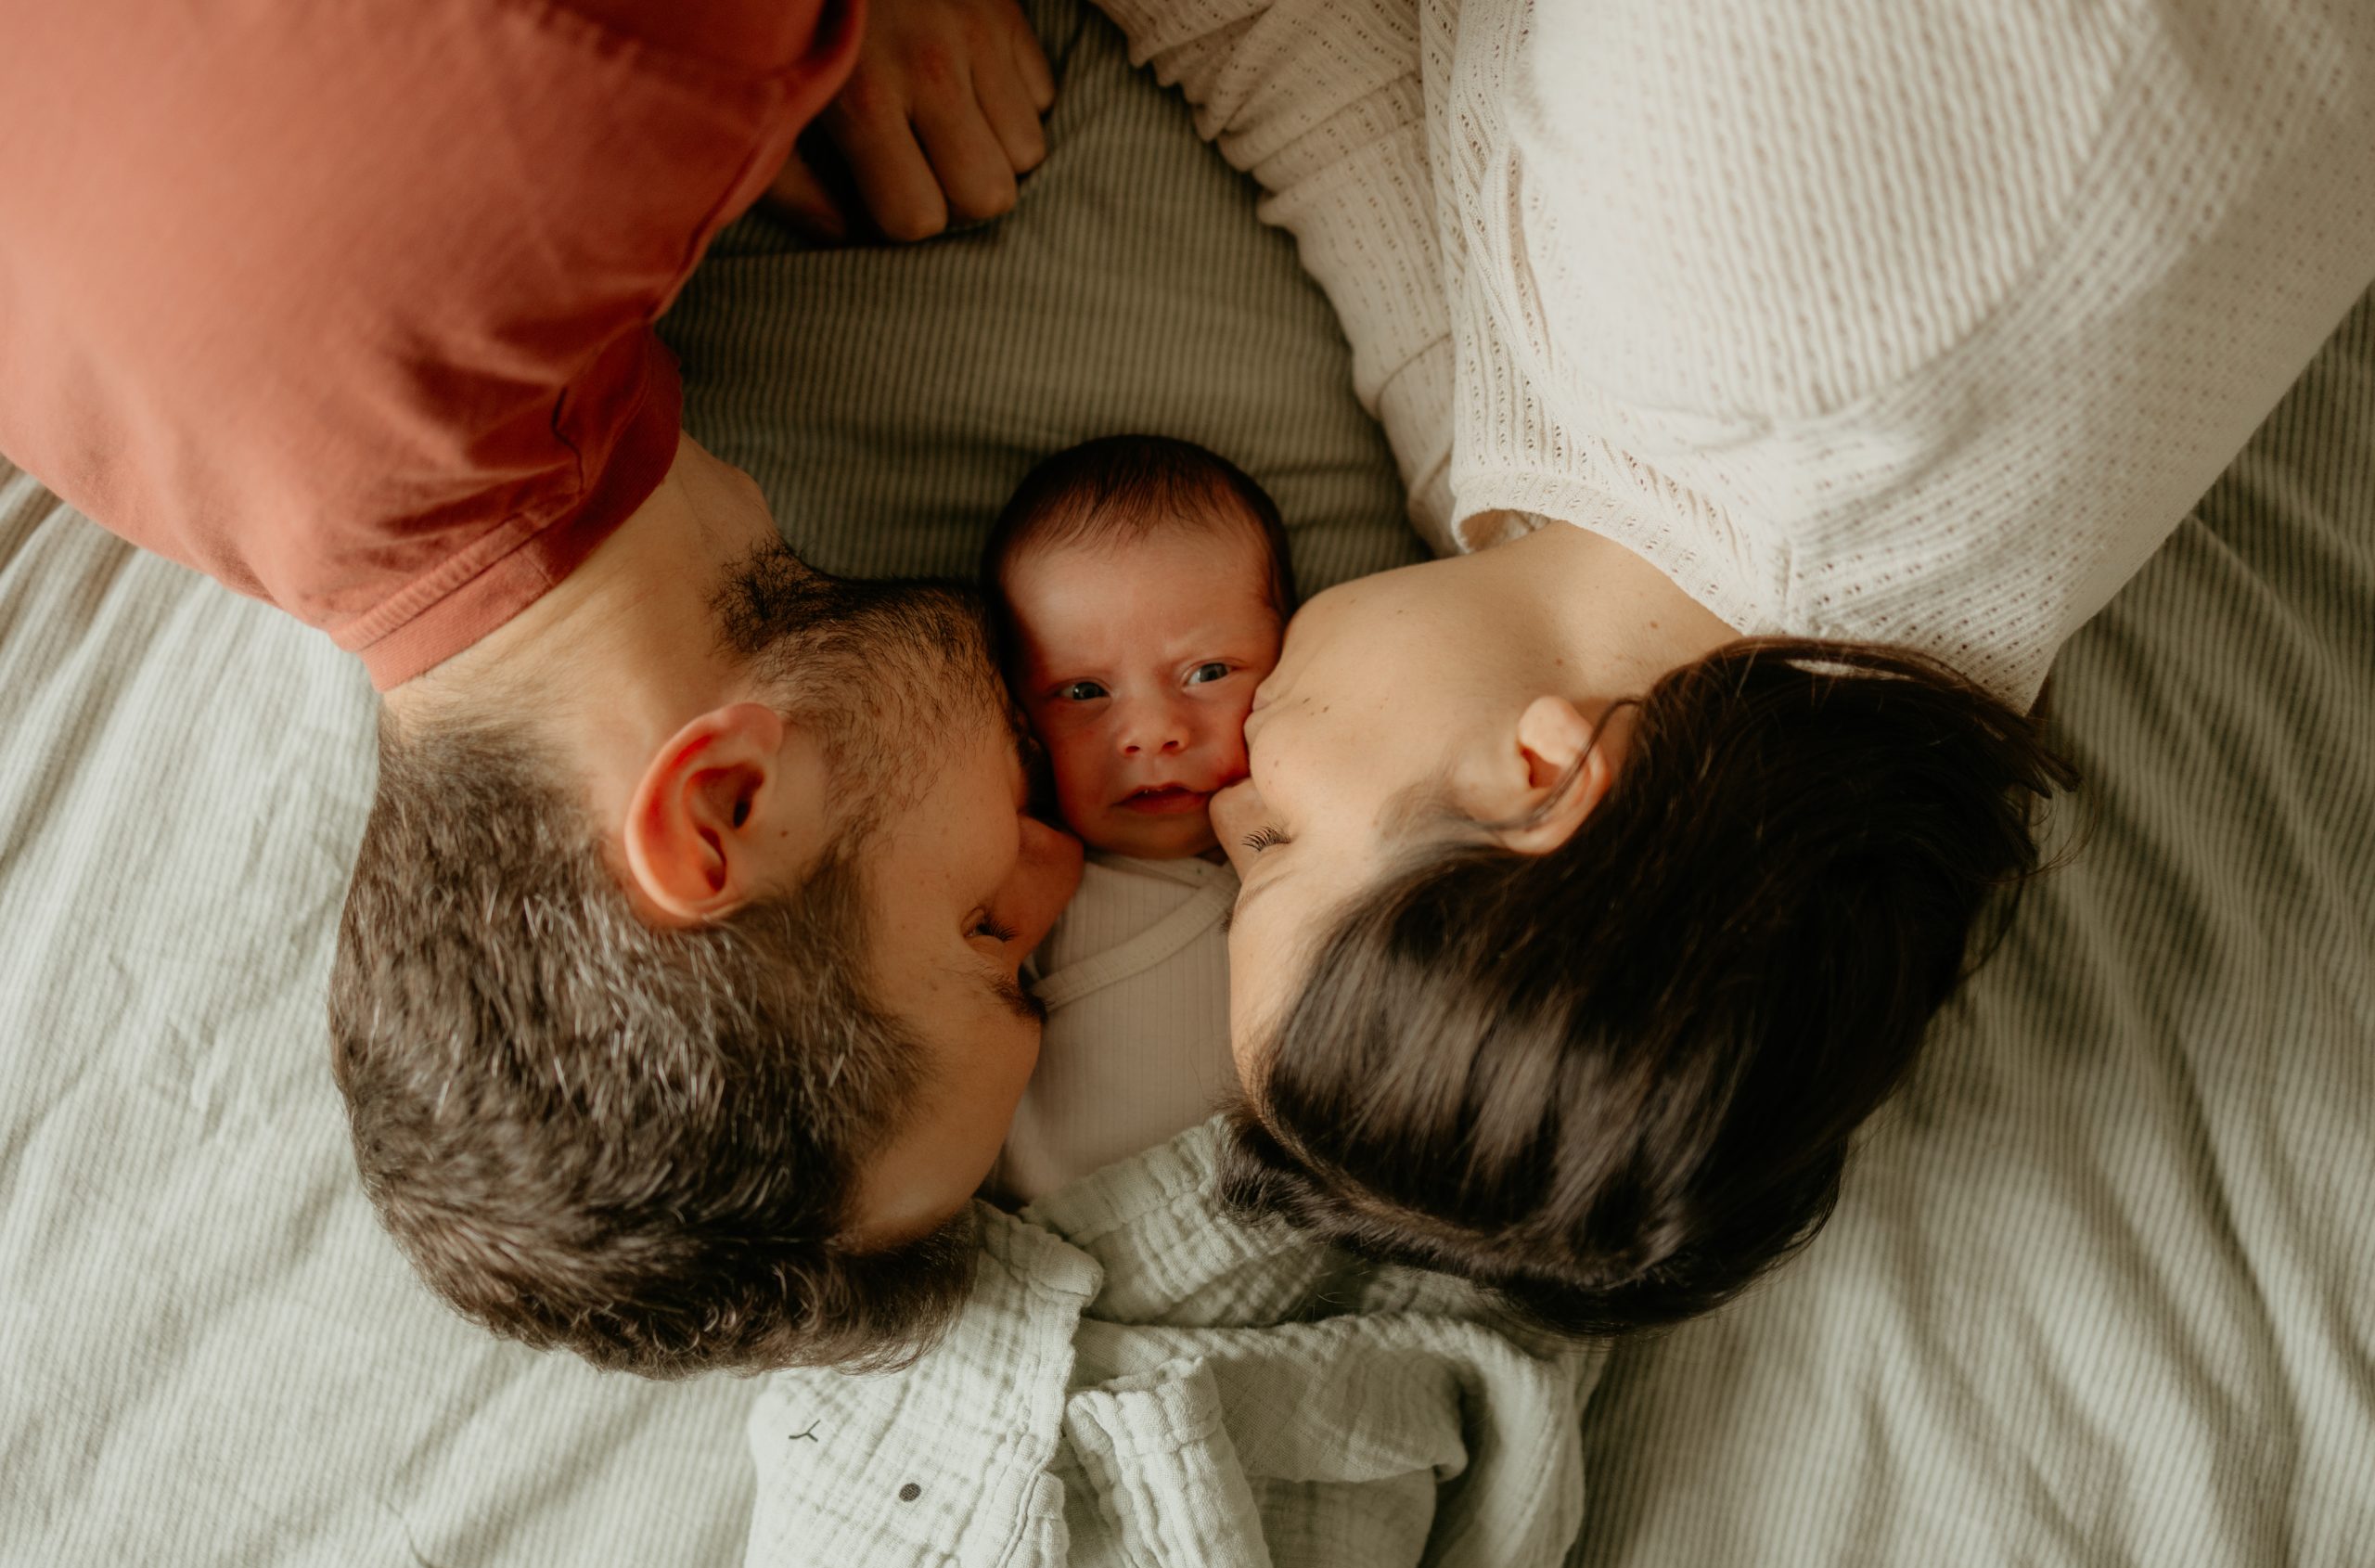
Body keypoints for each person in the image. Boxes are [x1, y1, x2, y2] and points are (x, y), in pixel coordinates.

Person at [1091, 0, 2375, 1338]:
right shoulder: (1740, 299)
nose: (1223, 796)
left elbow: (1294, 58)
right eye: (1277, 846)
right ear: (1544, 774)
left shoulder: (1630, 589)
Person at [0, 0, 1137, 1375]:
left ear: (725, 804)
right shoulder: (156, 451)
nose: (1063, 866)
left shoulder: (615, 99)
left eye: (985, 937)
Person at [974, 434, 1291, 1201]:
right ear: (1020, 719)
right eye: (1084, 692)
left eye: (1208, 672)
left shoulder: (1307, 845)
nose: (1152, 731)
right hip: (1068, 1236)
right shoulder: (1025, 884)